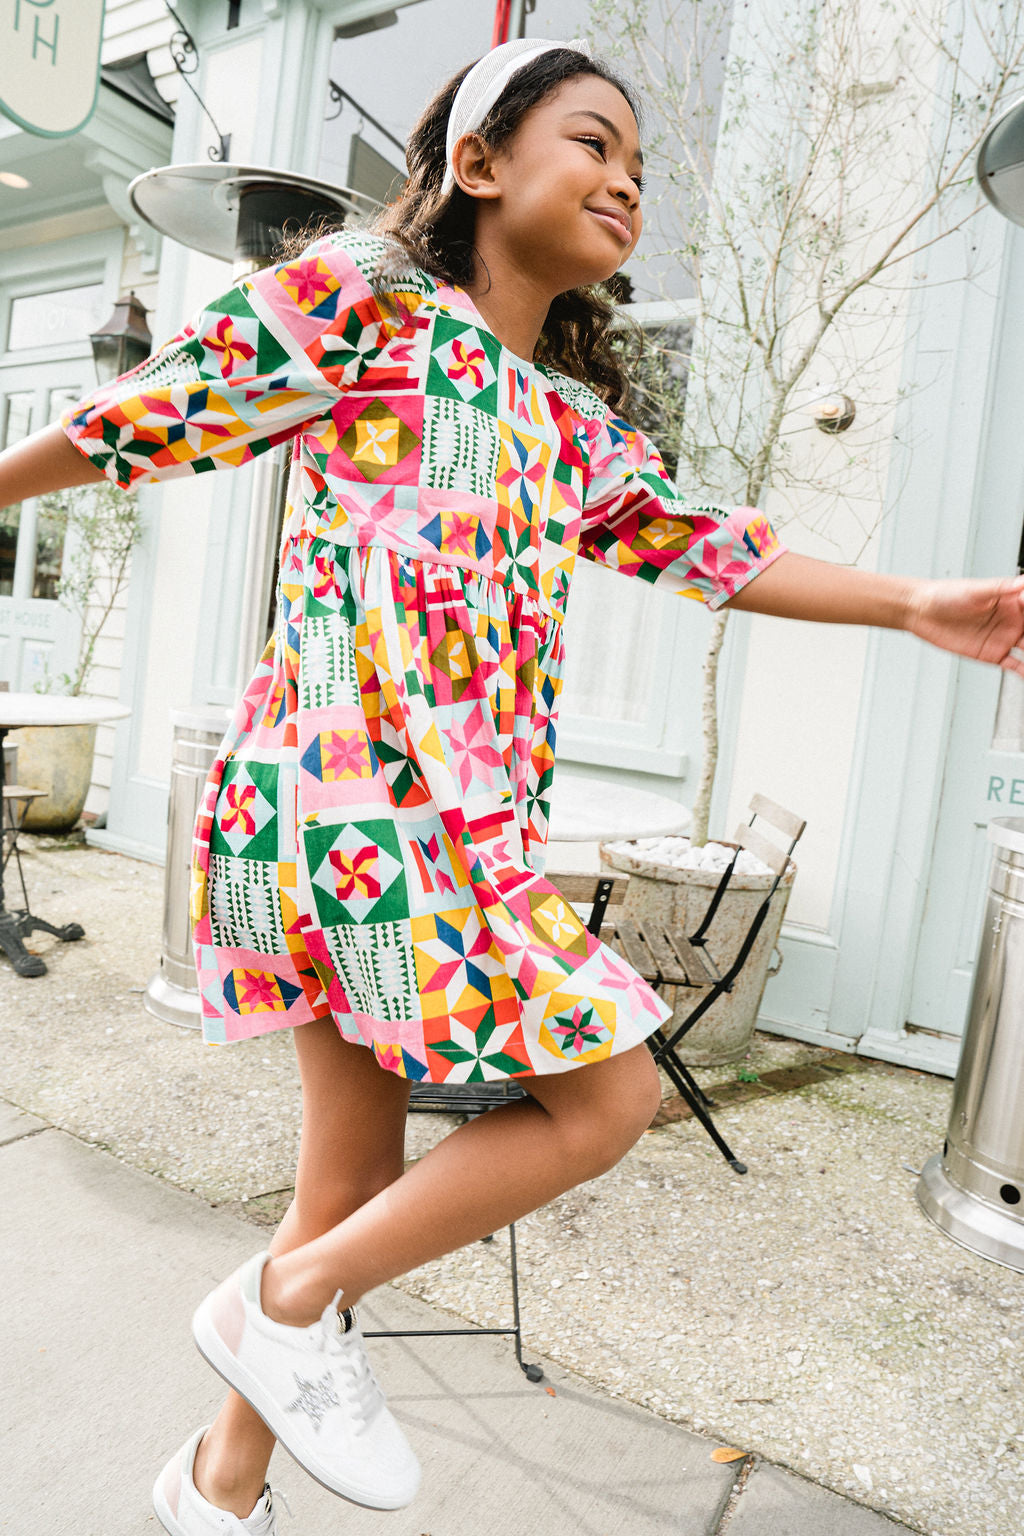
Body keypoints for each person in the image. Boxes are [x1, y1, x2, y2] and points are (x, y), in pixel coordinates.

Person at [4, 36, 1024, 1536]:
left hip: (402, 828)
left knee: (351, 1177)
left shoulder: (565, 424)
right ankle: (283, 1299)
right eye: (593, 143)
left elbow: (714, 549)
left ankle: (218, 1488)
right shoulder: (371, 304)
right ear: (478, 164)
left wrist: (916, 603)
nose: (626, 182)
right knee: (608, 1092)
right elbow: (144, 414)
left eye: (640, 166)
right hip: (356, 802)